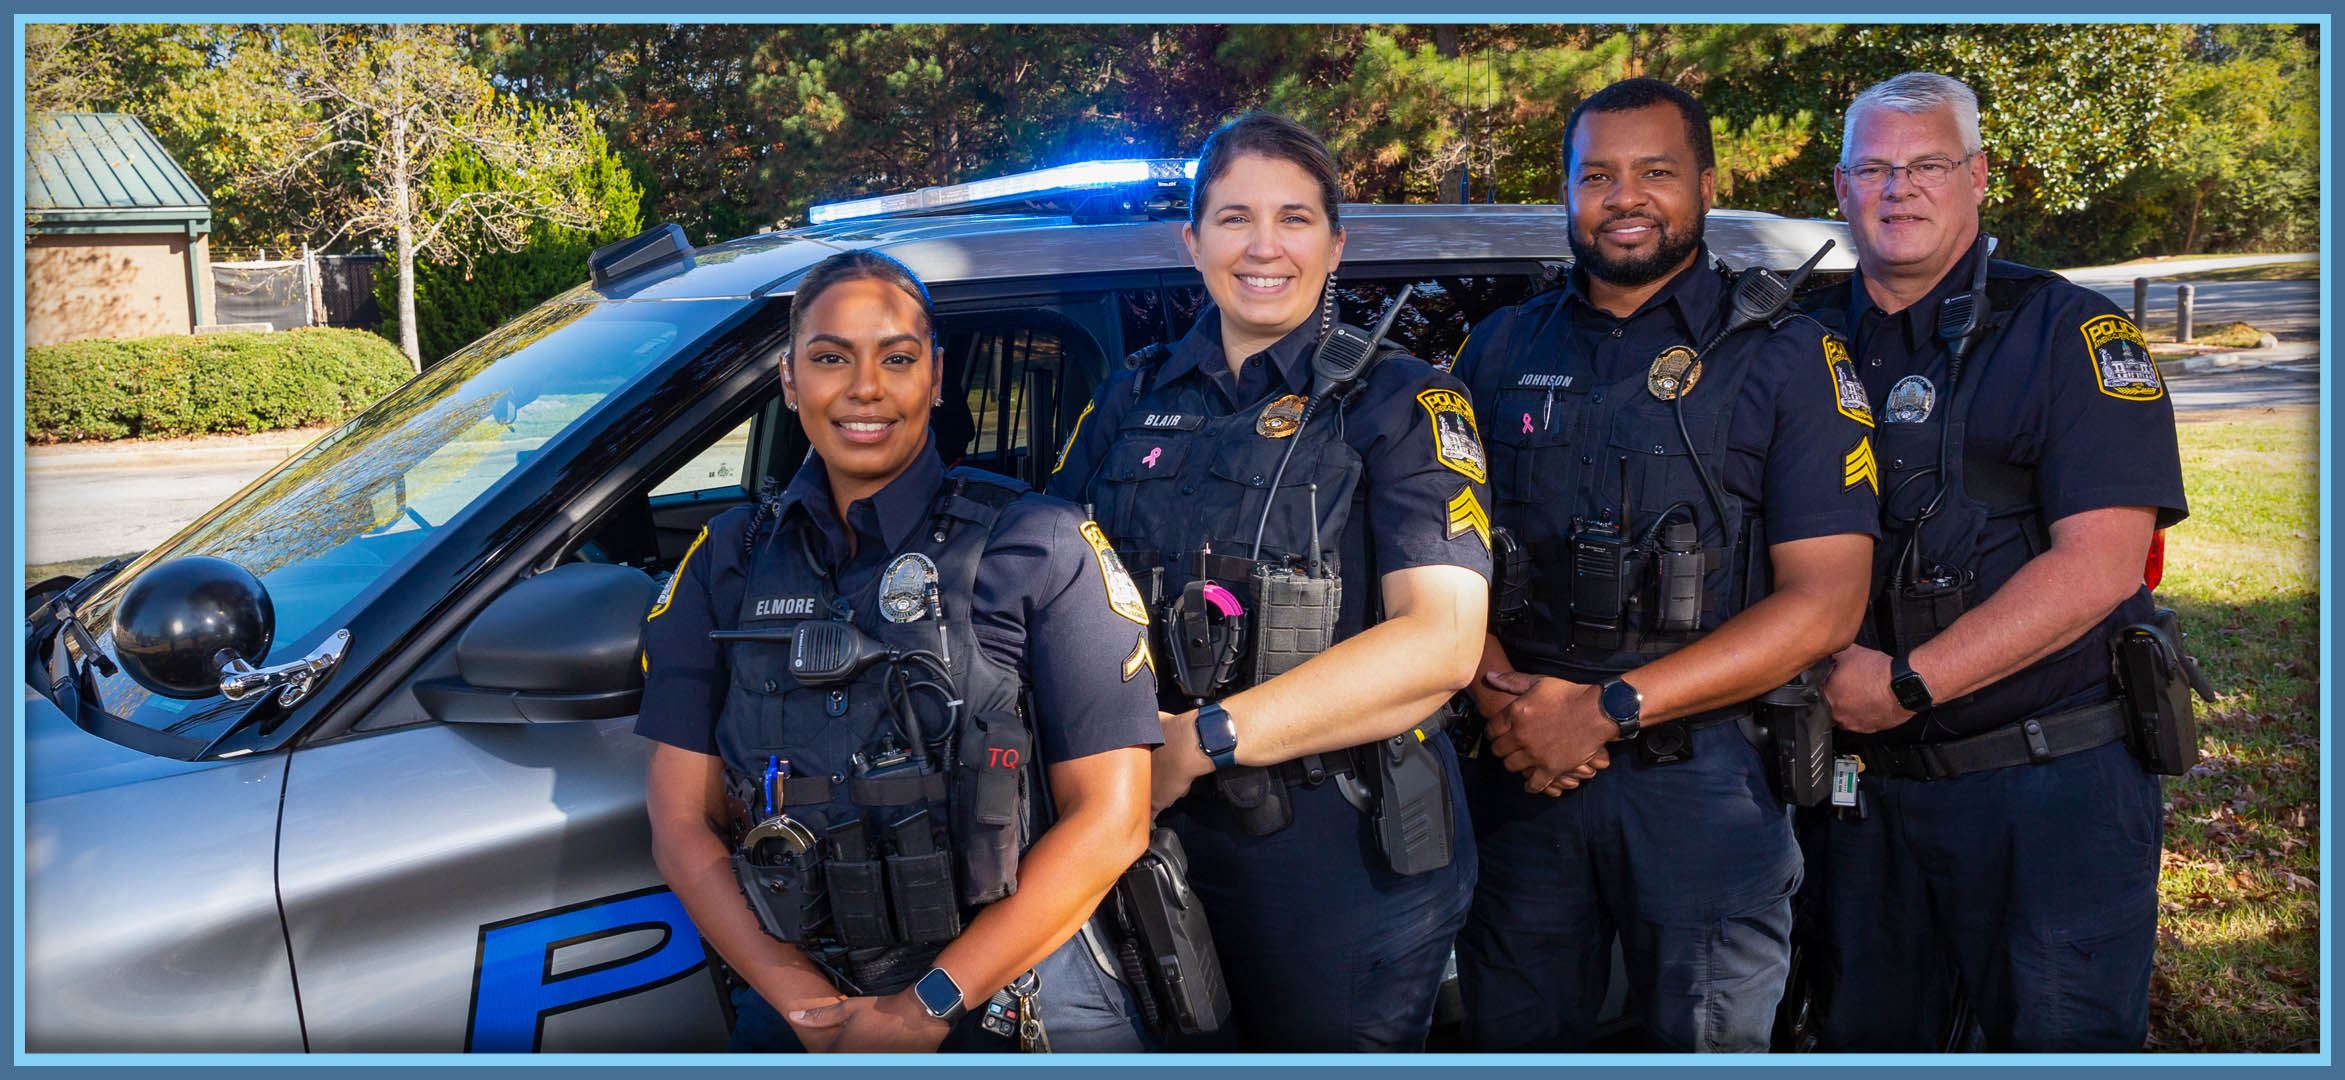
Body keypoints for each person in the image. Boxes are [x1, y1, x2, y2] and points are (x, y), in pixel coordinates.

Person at [636, 249, 1160, 1053]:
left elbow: (1112, 818)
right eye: (829, 358)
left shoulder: (1039, 543)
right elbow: (679, 819)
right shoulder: (726, 560)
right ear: (787, 379)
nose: (864, 388)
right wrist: (800, 1000)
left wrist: (923, 1009)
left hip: (1008, 999)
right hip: (799, 1004)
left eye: (897, 358)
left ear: (937, 376)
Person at [1449, 77, 1879, 1052]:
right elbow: (1437, 561)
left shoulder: (1787, 359)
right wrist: (1497, 696)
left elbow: (1825, 603)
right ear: (1564, 191)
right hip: (1519, 778)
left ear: (1704, 185)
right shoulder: (1496, 349)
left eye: (1654, 171)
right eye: (1595, 174)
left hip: (1706, 789)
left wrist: (1600, 711)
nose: (1624, 196)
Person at [1047, 112, 1488, 1052]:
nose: (1263, 247)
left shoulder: (1401, 403)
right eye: (1234, 217)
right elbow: (1050, 589)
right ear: (1191, 240)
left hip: (1339, 855)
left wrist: (1199, 741)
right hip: (1152, 835)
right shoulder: (1131, 397)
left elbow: (1440, 642)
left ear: (1335, 243)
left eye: (1293, 219)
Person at [1803, 72, 2187, 1051]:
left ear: (1976, 177)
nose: (1898, 189)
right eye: (1873, 168)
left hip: (2047, 788)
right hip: (1861, 794)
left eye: (1926, 163)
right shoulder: (1795, 341)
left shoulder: (2069, 334)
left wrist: (1905, 682)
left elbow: (2099, 565)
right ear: (1839, 190)